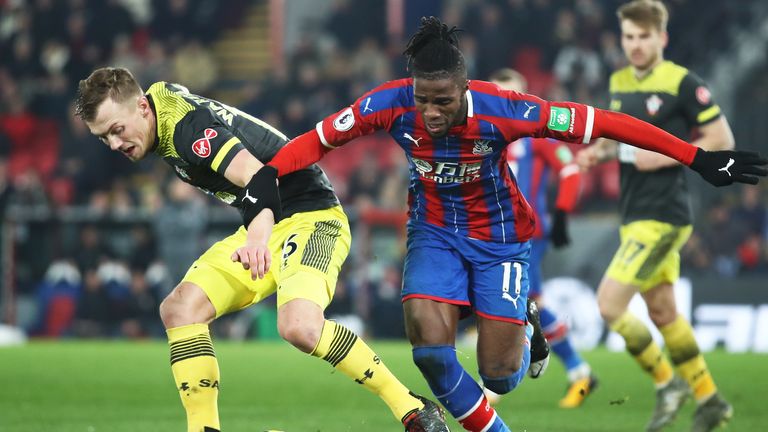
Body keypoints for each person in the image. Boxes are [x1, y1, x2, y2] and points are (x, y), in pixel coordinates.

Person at [259, 16, 764, 432]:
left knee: (499, 378)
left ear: (465, 89)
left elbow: (606, 124)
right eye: (422, 99)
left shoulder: (507, 110)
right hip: (432, 232)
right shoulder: (387, 103)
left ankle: (526, 321)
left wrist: (696, 156)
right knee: (430, 354)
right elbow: (316, 140)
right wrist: (266, 176)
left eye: (443, 100)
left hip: (499, 239)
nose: (431, 112)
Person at [74, 67, 449, 432]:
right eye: (103, 137)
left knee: (299, 327)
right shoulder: (157, 106)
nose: (114, 145)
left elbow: (258, 178)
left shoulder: (187, 130)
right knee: (180, 309)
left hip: (312, 216)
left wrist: (256, 238)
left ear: (141, 107)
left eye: (117, 130)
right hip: (265, 221)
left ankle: (414, 410)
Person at [576, 1, 741, 431]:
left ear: (662, 38)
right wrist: (603, 150)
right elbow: (622, 137)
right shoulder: (617, 81)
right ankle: (710, 400)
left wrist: (668, 158)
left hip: (664, 215)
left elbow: (722, 138)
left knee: (609, 305)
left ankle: (668, 383)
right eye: (628, 37)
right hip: (633, 212)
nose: (635, 45)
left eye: (643, 37)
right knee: (664, 312)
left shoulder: (683, 83)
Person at [488, 68, 597, 409]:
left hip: (527, 233)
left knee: (526, 300)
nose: (506, 102)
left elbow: (570, 169)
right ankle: (576, 370)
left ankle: (499, 385)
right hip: (492, 233)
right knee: (528, 302)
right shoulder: (483, 134)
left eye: (513, 94)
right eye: (499, 94)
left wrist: (562, 211)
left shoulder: (537, 135)